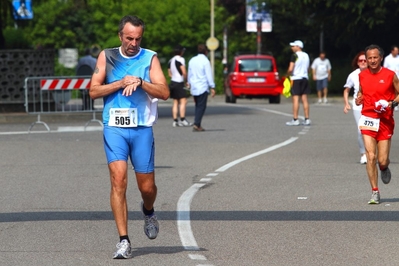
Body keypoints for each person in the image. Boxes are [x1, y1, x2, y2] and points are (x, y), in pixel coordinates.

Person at [89, 15, 169, 259]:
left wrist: (141, 82)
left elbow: (164, 92)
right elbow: (93, 91)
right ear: (120, 36)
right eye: (129, 38)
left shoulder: (149, 57)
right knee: (118, 180)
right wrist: (120, 82)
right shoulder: (107, 56)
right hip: (114, 127)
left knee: (147, 187)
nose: (133, 43)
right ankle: (123, 240)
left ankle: (148, 210)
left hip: (142, 128)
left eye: (138, 38)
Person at [355, 44, 399, 204]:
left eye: (375, 57)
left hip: (385, 121)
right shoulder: (362, 75)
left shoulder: (390, 75)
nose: (372, 61)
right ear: (366, 59)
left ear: (381, 58)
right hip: (368, 119)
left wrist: (392, 104)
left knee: (382, 159)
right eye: (369, 58)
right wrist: (358, 98)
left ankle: (384, 168)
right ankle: (375, 191)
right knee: (370, 156)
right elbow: (361, 92)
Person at [343, 51, 368, 164]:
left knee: (373, 131)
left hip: (372, 106)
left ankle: (371, 153)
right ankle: (363, 154)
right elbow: (346, 90)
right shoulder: (353, 75)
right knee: (360, 131)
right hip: (358, 107)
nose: (362, 62)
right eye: (360, 60)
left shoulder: (374, 73)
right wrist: (346, 104)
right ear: (357, 63)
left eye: (364, 60)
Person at [187, 44, 216, 132]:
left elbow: (190, 73)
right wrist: (212, 86)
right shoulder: (205, 61)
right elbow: (208, 74)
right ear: (206, 52)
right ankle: (197, 123)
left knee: (197, 106)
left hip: (194, 87)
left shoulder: (192, 60)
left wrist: (189, 83)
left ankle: (197, 123)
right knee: (201, 106)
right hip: (202, 86)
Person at [286, 40, 311, 126]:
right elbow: (308, 68)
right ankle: (307, 119)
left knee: (296, 99)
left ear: (299, 47)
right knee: (305, 99)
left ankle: (295, 119)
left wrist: (287, 75)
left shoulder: (294, 55)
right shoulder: (306, 55)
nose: (292, 48)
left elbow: (290, 68)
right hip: (305, 78)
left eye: (294, 46)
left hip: (296, 78)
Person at [168, 44, 192, 127]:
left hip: (173, 82)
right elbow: (184, 72)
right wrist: (187, 81)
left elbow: (169, 73)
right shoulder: (181, 59)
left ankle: (175, 121)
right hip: (179, 82)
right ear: (181, 52)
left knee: (175, 102)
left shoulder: (170, 60)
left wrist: (174, 76)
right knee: (183, 101)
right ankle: (182, 119)